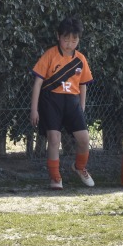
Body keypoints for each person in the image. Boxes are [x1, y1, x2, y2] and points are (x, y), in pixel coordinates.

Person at [30, 17, 95, 190]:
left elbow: (83, 84)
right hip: (51, 101)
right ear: (58, 36)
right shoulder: (49, 55)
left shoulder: (81, 59)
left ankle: (79, 167)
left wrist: (81, 106)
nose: (70, 44)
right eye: (66, 39)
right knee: (54, 138)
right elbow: (37, 83)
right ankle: (55, 177)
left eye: (74, 40)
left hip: (72, 102)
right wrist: (34, 109)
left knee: (84, 139)